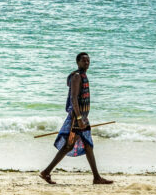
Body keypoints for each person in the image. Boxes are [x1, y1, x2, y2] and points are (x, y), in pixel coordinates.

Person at [39, 52, 113, 185]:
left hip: (82, 117)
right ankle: (46, 172)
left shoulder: (84, 76)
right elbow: (74, 98)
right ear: (78, 62)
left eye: (88, 61)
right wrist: (78, 118)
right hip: (76, 118)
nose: (87, 63)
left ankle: (96, 177)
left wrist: (82, 117)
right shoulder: (77, 77)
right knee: (69, 146)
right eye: (84, 61)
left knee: (87, 145)